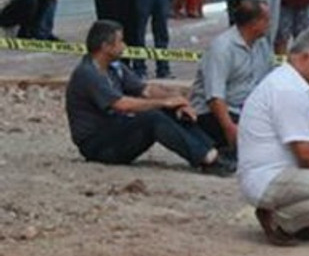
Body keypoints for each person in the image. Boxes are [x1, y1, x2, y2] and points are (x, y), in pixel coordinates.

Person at [237, 27, 309, 247]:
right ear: (304, 57)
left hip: (283, 168)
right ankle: (283, 221)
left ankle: (306, 219)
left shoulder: (296, 84)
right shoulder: (287, 90)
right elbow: (305, 153)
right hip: (268, 177)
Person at [64, 19, 229, 173]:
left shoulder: (115, 67)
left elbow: (145, 90)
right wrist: (164, 102)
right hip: (97, 145)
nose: (124, 46)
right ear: (106, 46)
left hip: (116, 129)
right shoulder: (88, 73)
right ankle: (205, 159)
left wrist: (177, 100)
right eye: (120, 41)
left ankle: (211, 150)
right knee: (152, 117)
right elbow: (121, 104)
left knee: (170, 109)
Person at [189, 0, 275, 156]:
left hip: (247, 110)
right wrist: (229, 128)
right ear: (254, 23)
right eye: (266, 20)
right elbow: (215, 97)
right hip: (217, 114)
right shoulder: (222, 48)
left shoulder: (262, 45)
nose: (270, 24)